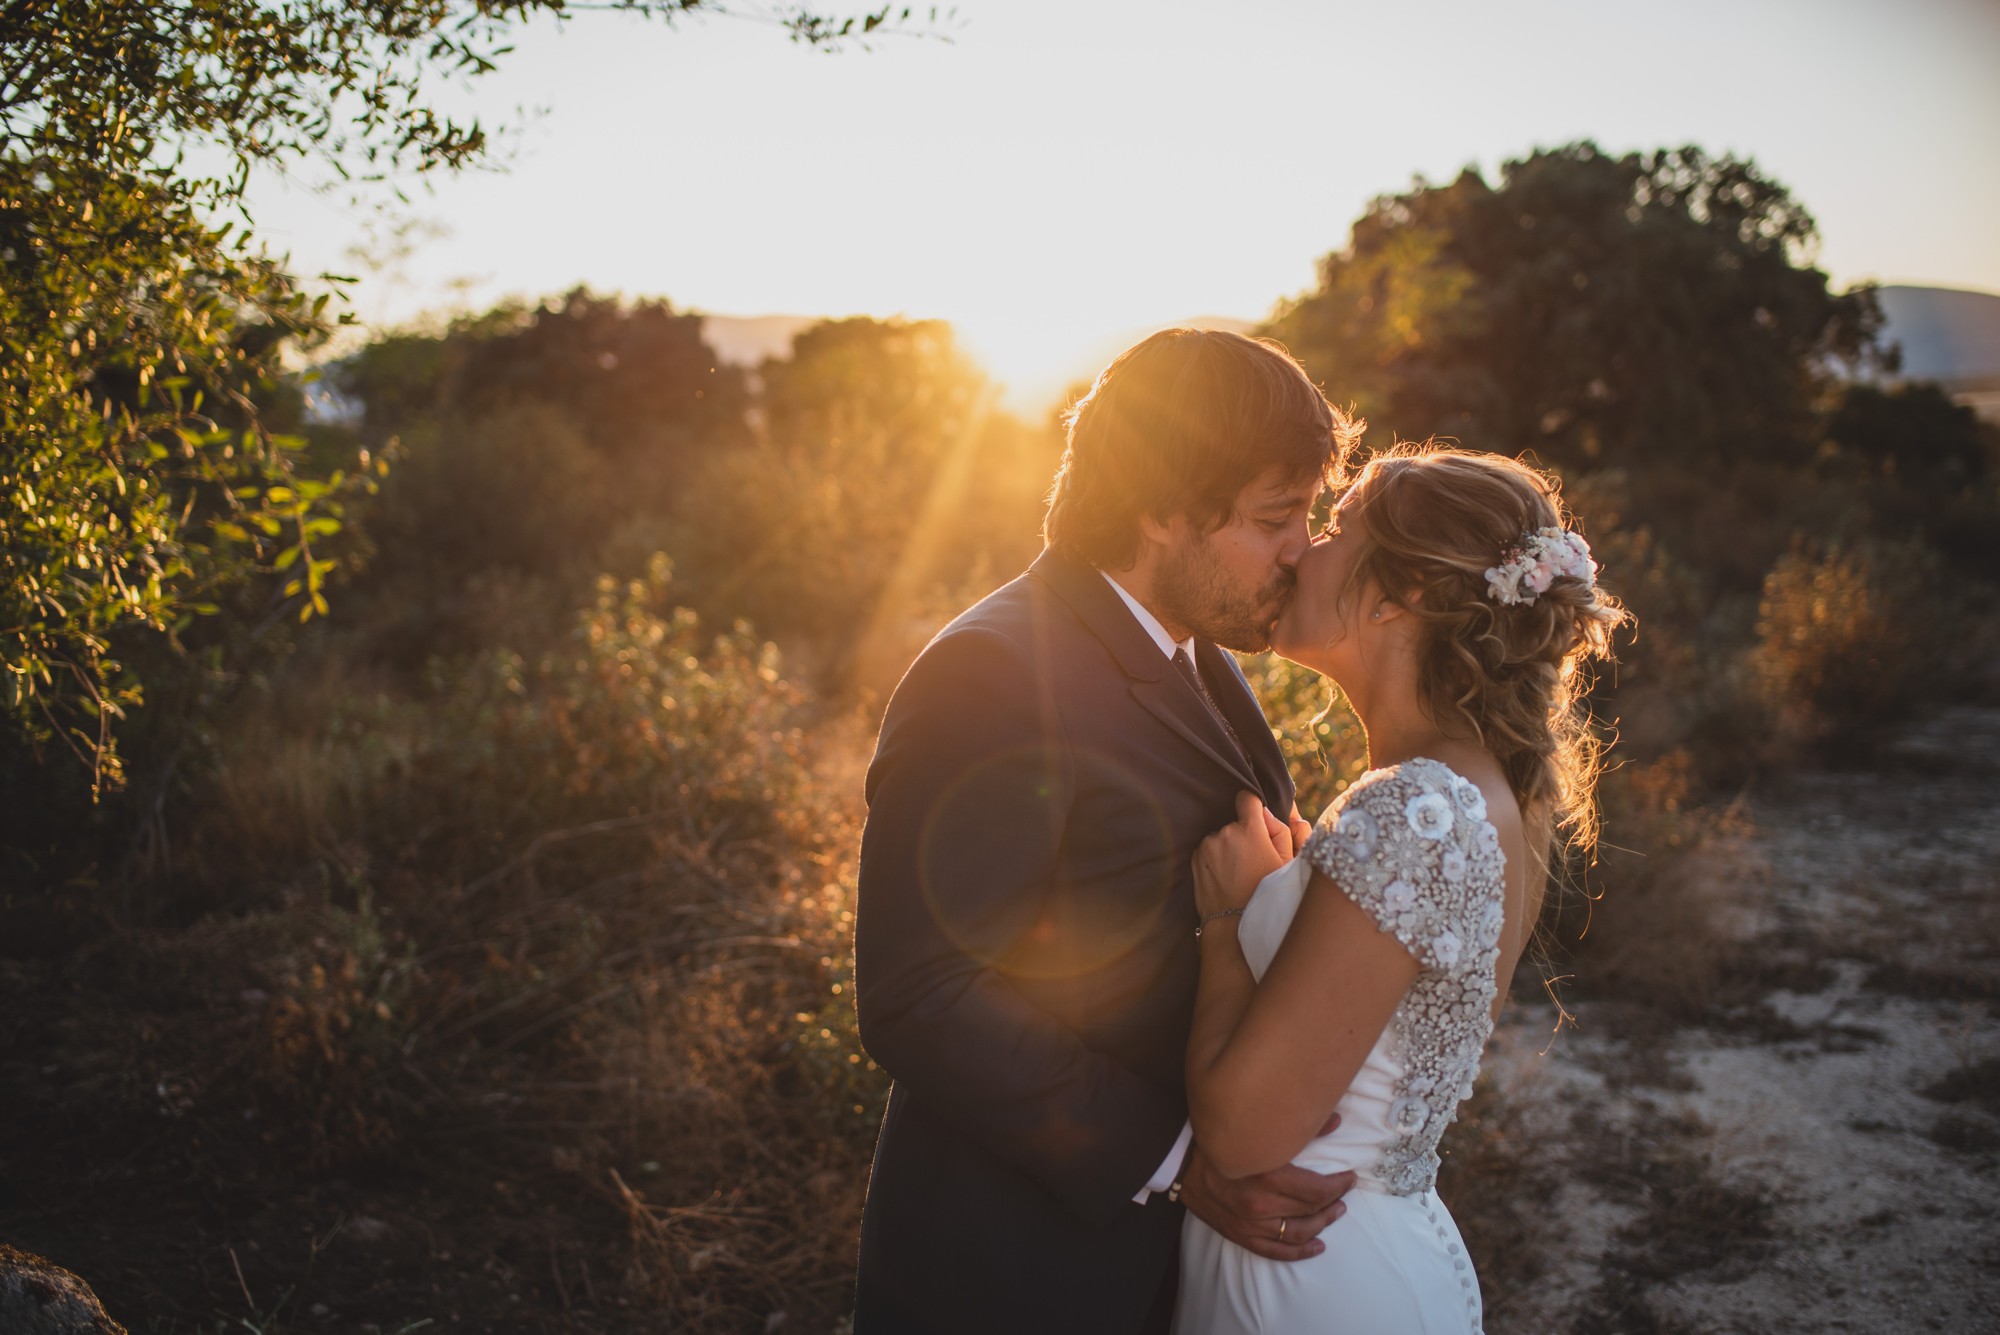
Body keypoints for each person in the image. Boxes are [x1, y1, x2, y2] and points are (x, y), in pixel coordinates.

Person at [852, 330, 1364, 1334]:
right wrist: (1177, 1162)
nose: (1300, 547)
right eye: (1275, 517)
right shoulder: (992, 673)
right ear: (1160, 508)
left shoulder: (1198, 655)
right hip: (1018, 1269)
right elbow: (920, 992)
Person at [1173, 445, 1630, 1333]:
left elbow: (1239, 1136)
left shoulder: (1414, 810)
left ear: (1399, 596)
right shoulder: (1486, 789)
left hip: (1304, 1275)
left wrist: (1228, 921)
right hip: (1359, 1246)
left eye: (1336, 526)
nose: (1304, 548)